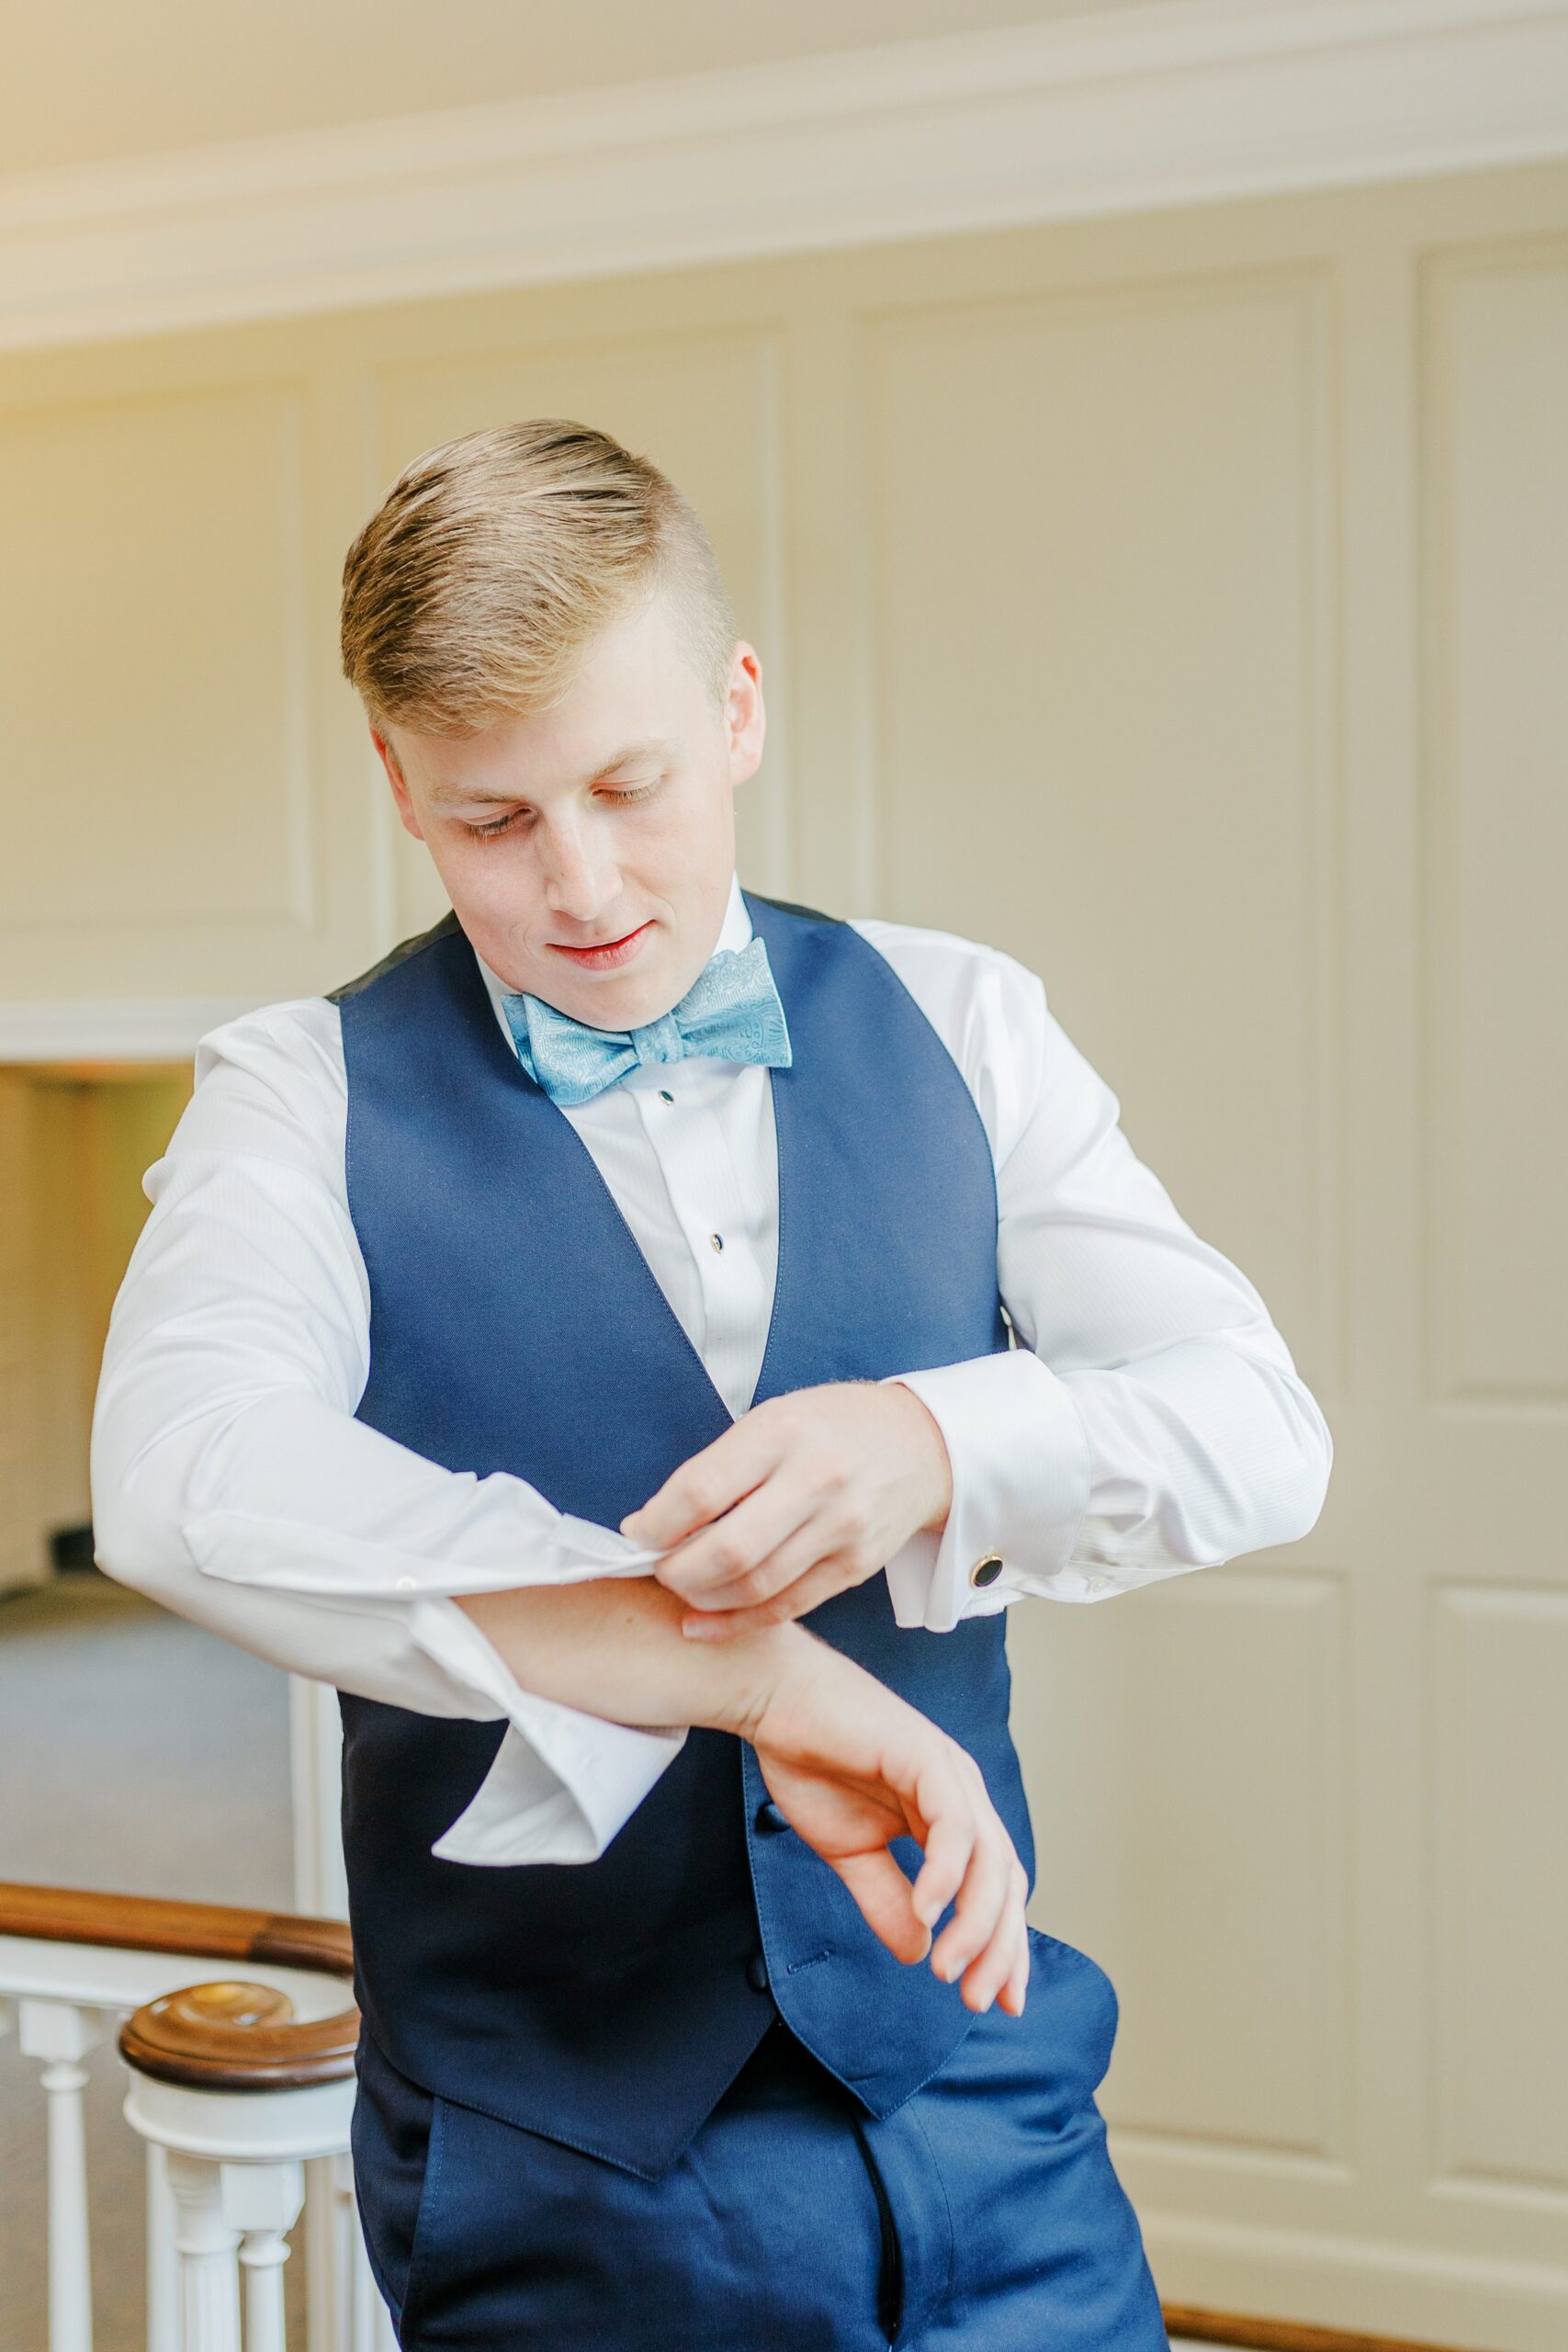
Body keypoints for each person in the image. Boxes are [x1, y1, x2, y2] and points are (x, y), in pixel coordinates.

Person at [92, 419, 1333, 2349]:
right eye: (492, 816)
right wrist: (725, 1661)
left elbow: (1258, 1426)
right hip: (559, 2162)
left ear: (735, 709)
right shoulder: (297, 1095)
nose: (580, 882)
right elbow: (184, 1469)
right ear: (394, 779)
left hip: (984, 2093)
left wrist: (934, 1437)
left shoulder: (960, 1016)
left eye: (626, 784)